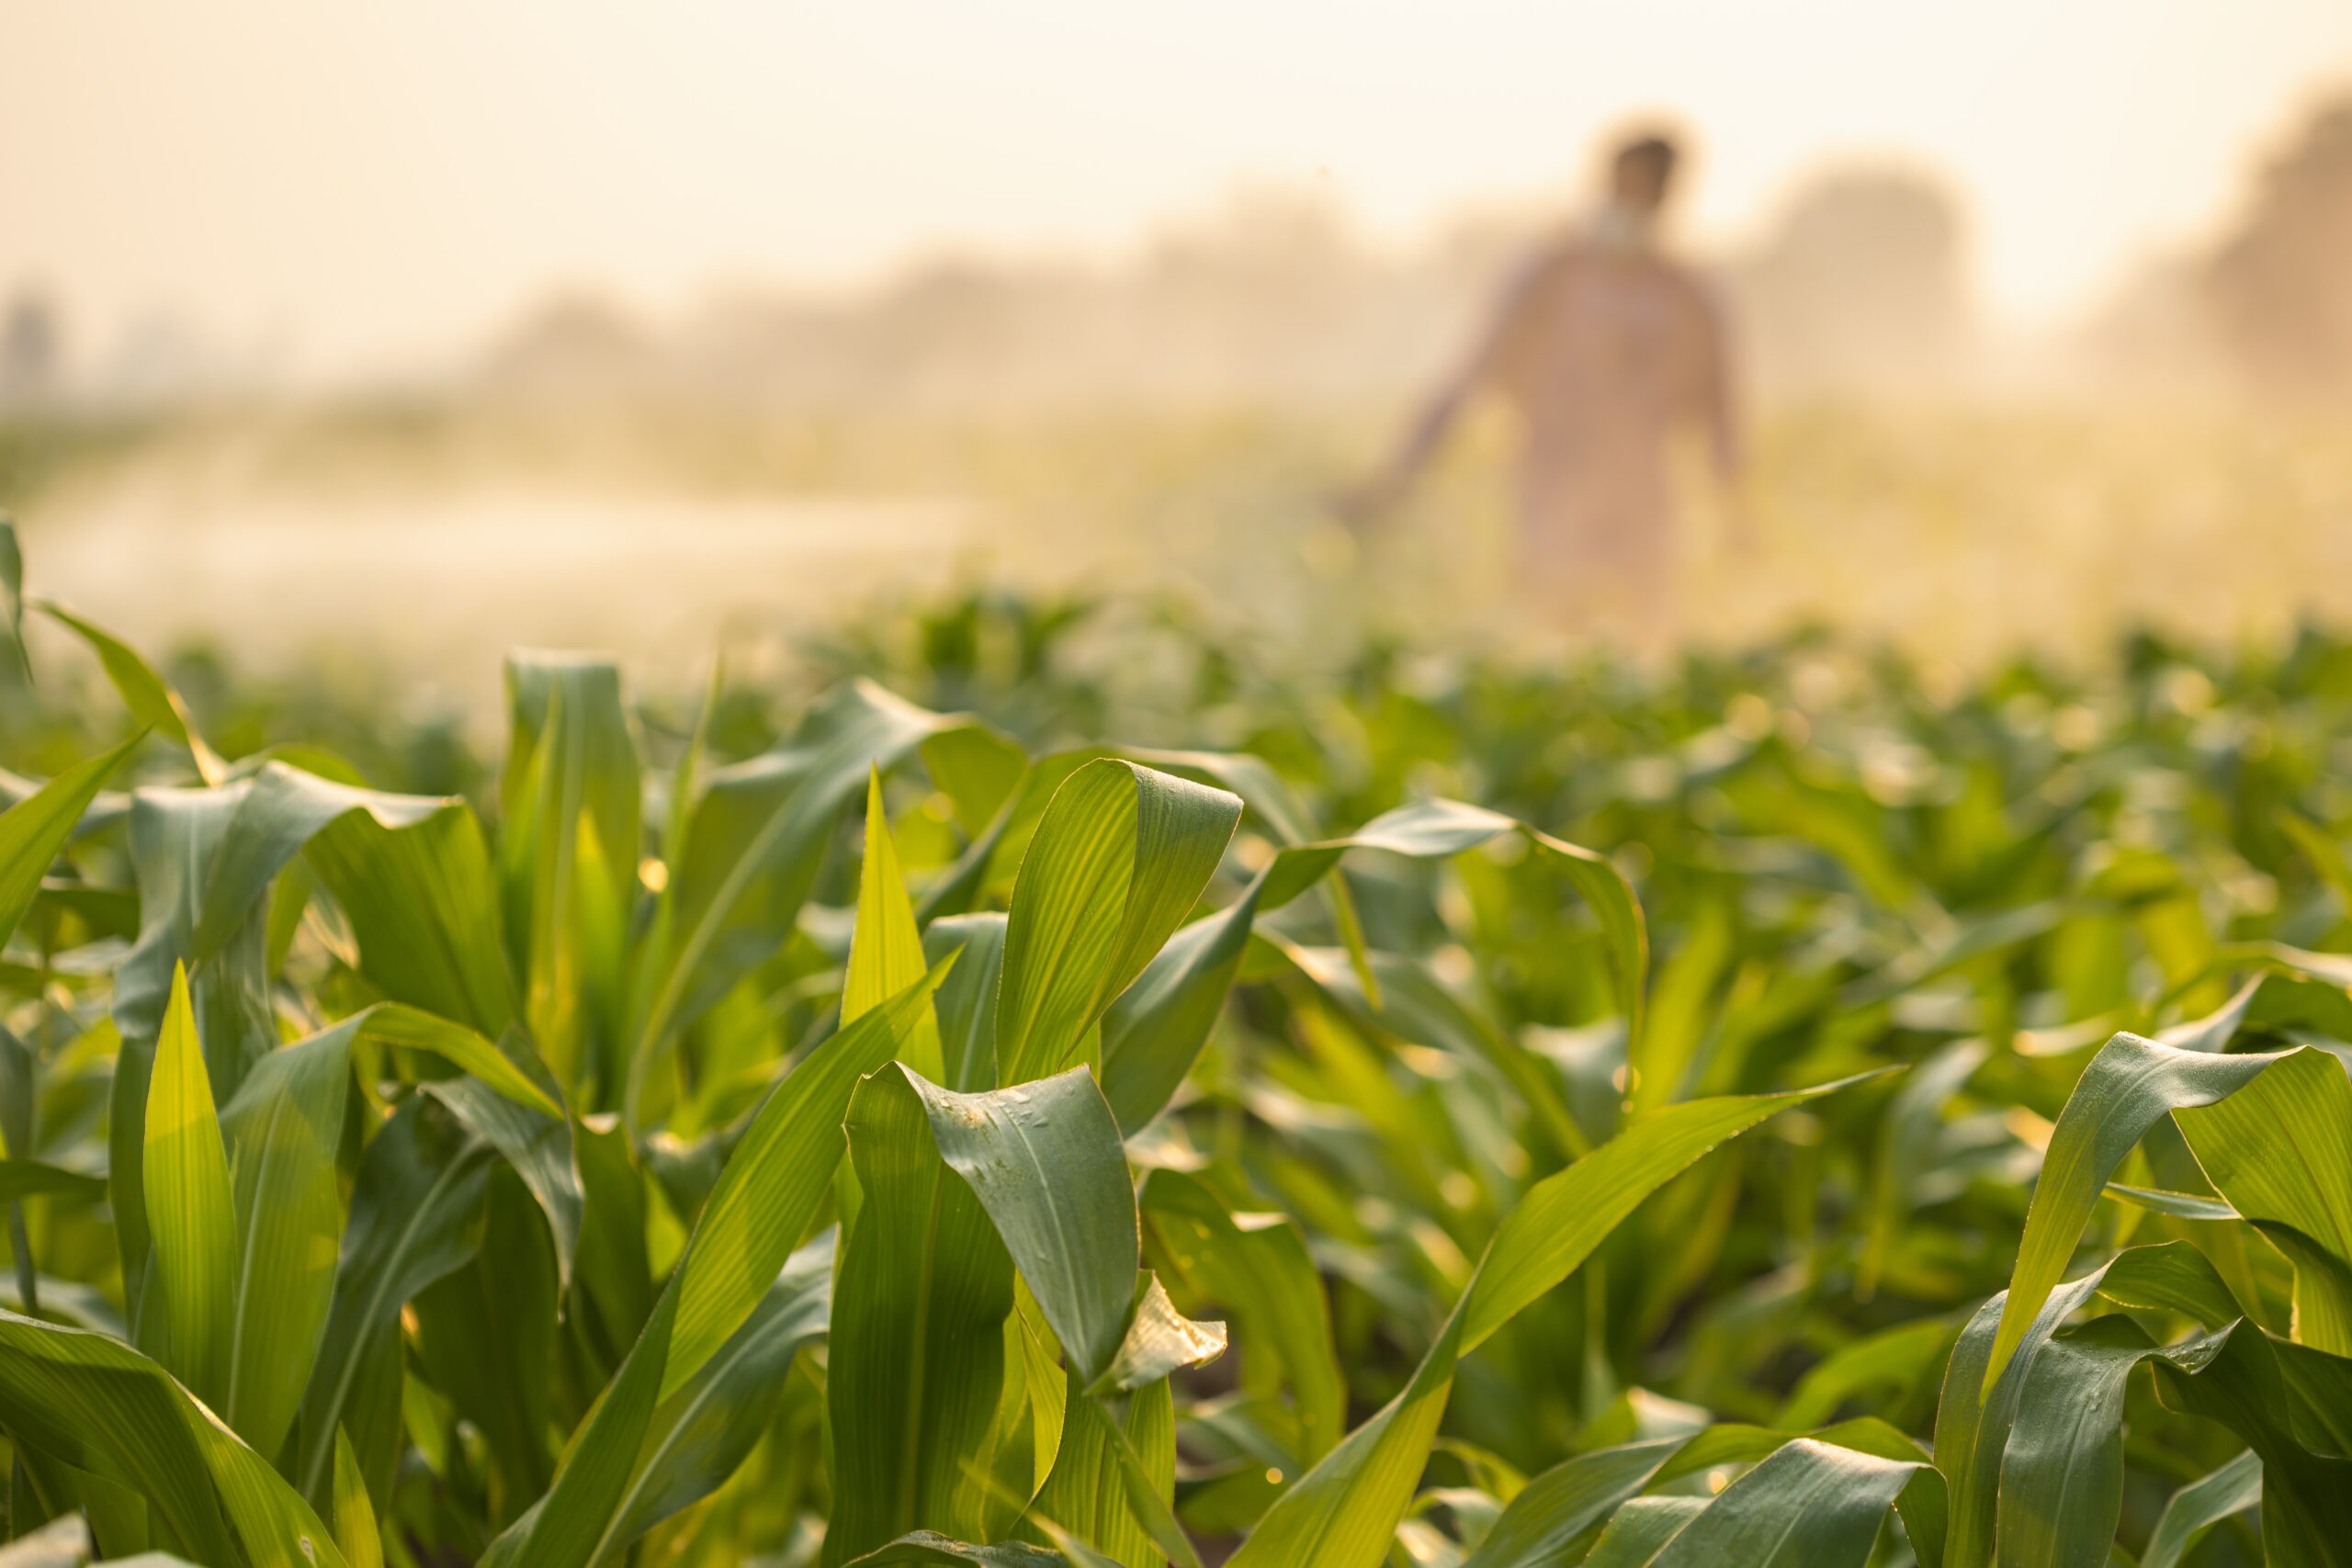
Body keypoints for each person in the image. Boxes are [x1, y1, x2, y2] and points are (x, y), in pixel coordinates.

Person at [1342, 128, 1748, 637]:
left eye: (1652, 191)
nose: (1636, 204)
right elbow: (1468, 379)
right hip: (1554, 485)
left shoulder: (1688, 293)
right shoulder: (1550, 276)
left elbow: (1721, 413)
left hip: (1645, 498)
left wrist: (1738, 516)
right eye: (1627, 187)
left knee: (1647, 646)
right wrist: (1397, 477)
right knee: (1553, 633)